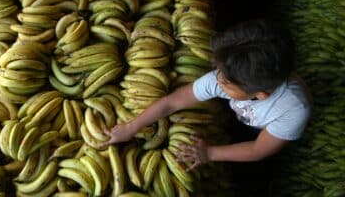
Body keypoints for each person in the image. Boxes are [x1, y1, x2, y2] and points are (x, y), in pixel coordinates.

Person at [103, 19, 311, 170]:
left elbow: (258, 150)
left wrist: (210, 153)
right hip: (246, 110)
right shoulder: (228, 74)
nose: (218, 81)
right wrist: (131, 127)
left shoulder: (293, 109)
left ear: (261, 94)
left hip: (266, 131)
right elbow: (173, 102)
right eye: (219, 73)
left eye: (227, 83)